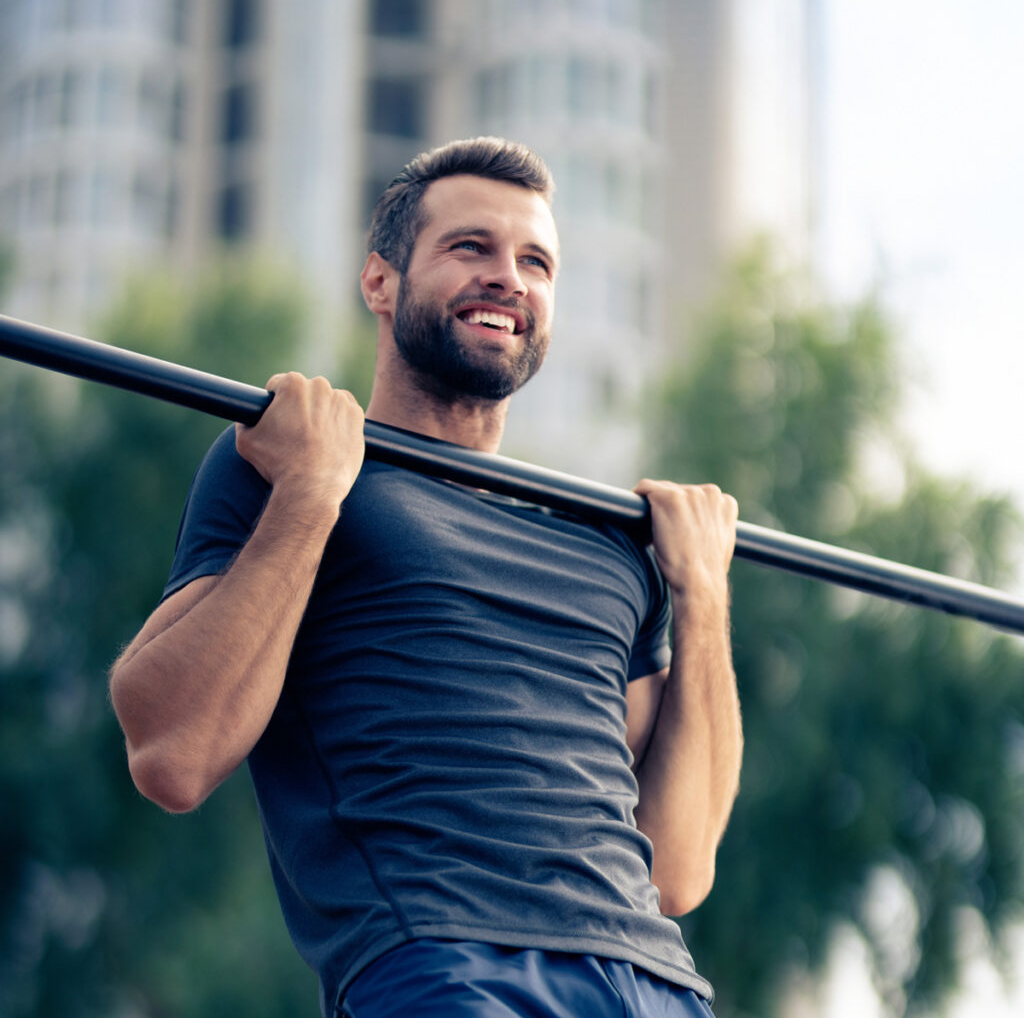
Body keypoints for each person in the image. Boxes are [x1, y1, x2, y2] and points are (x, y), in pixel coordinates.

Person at [109, 137, 742, 1018]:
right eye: (469, 247)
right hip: (446, 968)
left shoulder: (608, 546)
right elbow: (170, 751)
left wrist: (704, 598)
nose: (509, 278)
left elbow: (675, 869)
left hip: (657, 983)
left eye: (536, 262)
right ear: (380, 281)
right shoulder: (295, 465)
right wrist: (310, 493)